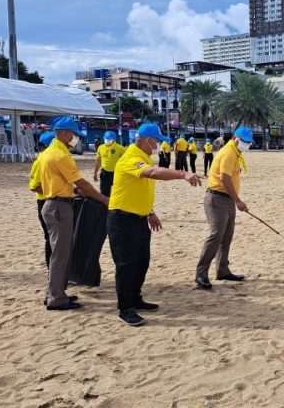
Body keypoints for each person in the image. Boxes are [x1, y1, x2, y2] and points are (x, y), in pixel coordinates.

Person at [107, 123, 202, 326]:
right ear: (145, 139)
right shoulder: (130, 158)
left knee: (142, 261)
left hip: (140, 218)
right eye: (156, 141)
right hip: (122, 219)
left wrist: (150, 213)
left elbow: (139, 189)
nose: (158, 144)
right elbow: (151, 173)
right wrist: (182, 174)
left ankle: (135, 298)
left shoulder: (143, 157)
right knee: (126, 265)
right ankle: (125, 309)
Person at [37, 117, 109, 310]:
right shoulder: (60, 155)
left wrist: (71, 191)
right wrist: (103, 199)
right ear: (63, 133)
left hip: (53, 204)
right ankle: (56, 298)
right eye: (73, 134)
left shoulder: (47, 154)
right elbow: (82, 183)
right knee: (61, 254)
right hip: (59, 208)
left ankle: (55, 292)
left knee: (59, 253)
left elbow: (45, 183)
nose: (74, 138)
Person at [194, 127, 253, 290]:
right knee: (216, 235)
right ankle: (201, 274)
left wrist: (234, 200)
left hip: (227, 199)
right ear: (236, 138)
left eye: (249, 142)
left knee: (226, 236)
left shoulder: (235, 153)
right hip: (217, 198)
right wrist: (238, 200)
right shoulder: (228, 152)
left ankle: (222, 270)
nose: (246, 145)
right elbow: (224, 178)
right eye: (245, 141)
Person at [29, 131, 56, 269]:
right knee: (50, 239)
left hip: (53, 201)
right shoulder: (40, 162)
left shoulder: (50, 160)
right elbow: (34, 186)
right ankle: (51, 269)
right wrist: (52, 192)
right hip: (45, 202)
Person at [93, 131, 126, 197]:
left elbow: (127, 159)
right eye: (106, 138)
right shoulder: (100, 147)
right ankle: (105, 206)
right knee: (104, 194)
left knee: (118, 194)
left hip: (116, 174)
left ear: (114, 139)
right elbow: (98, 161)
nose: (107, 140)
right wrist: (95, 172)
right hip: (105, 173)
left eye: (110, 139)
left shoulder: (120, 148)